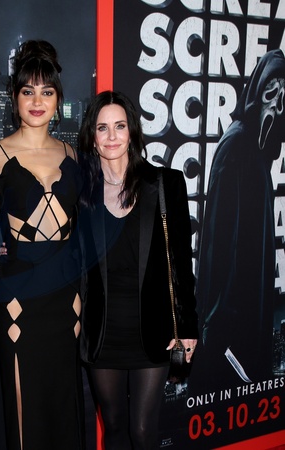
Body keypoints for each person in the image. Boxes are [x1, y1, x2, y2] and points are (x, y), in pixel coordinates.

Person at [0, 40, 85, 450]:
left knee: (64, 407)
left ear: (58, 99)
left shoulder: (73, 154)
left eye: (47, 92)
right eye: (28, 91)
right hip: (19, 300)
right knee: (23, 411)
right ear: (14, 97)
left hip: (67, 301)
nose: (37, 101)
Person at [77, 90, 198, 449]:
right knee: (113, 428)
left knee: (143, 431)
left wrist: (187, 326)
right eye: (102, 128)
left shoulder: (164, 183)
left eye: (120, 126)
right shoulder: (82, 193)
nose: (112, 136)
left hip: (154, 328)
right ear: (92, 137)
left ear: (132, 131)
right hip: (103, 331)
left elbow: (182, 262)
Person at [195, 49, 285, 385]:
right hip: (231, 321)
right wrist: (218, 323)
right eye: (271, 93)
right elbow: (219, 243)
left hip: (247, 309)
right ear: (257, 92)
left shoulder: (256, 150)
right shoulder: (237, 145)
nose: (277, 106)